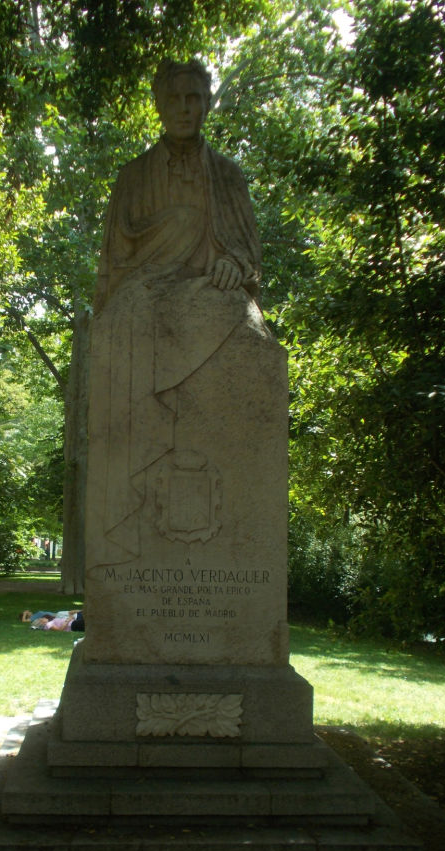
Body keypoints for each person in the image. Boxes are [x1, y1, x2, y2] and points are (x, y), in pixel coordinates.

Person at [89, 58, 269, 566]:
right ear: (159, 105)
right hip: (144, 296)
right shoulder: (132, 177)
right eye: (175, 99)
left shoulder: (229, 176)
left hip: (212, 295)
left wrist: (235, 265)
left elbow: (248, 251)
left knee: (245, 323)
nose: (185, 109)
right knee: (131, 316)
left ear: (208, 103)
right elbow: (114, 262)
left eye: (195, 98)